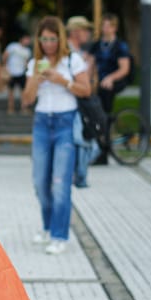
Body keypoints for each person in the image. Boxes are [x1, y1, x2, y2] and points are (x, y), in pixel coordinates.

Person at [22, 16, 91, 255]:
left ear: (60, 39)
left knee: (60, 183)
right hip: (42, 123)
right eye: (44, 39)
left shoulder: (73, 60)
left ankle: (59, 235)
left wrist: (63, 81)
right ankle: (48, 226)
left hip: (65, 123)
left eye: (52, 39)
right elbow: (26, 100)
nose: (48, 43)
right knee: (40, 182)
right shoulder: (34, 63)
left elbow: (86, 90)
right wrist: (36, 81)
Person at [65, 16, 100, 188]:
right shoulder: (69, 53)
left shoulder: (78, 54)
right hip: (74, 105)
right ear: (76, 32)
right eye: (85, 30)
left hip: (80, 104)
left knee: (86, 143)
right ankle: (79, 176)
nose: (88, 33)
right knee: (83, 143)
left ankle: (79, 175)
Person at [88, 12, 131, 115]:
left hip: (116, 79)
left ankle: (106, 122)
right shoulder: (97, 45)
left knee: (105, 90)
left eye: (108, 26)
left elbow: (124, 69)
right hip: (99, 78)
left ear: (114, 28)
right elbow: (90, 64)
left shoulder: (120, 46)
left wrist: (110, 78)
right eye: (103, 25)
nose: (105, 29)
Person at [2, 33, 32, 114]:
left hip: (21, 72)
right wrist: (4, 67)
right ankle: (10, 108)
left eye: (28, 40)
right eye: (26, 39)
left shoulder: (27, 51)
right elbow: (5, 55)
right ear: (21, 39)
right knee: (11, 91)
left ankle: (24, 108)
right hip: (11, 72)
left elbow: (26, 62)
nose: (28, 41)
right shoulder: (13, 46)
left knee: (23, 91)